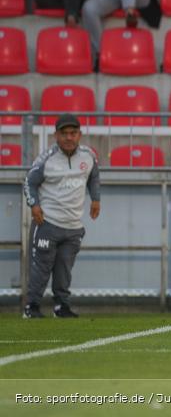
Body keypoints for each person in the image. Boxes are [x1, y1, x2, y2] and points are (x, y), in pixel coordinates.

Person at [22, 114, 100, 318]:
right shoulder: (46, 159)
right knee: (42, 267)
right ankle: (31, 307)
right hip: (48, 222)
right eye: (64, 133)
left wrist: (96, 199)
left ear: (79, 135)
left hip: (74, 225)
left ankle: (61, 307)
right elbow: (29, 182)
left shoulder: (88, 156)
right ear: (56, 135)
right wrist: (34, 205)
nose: (69, 138)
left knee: (64, 268)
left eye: (73, 133)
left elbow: (94, 177)